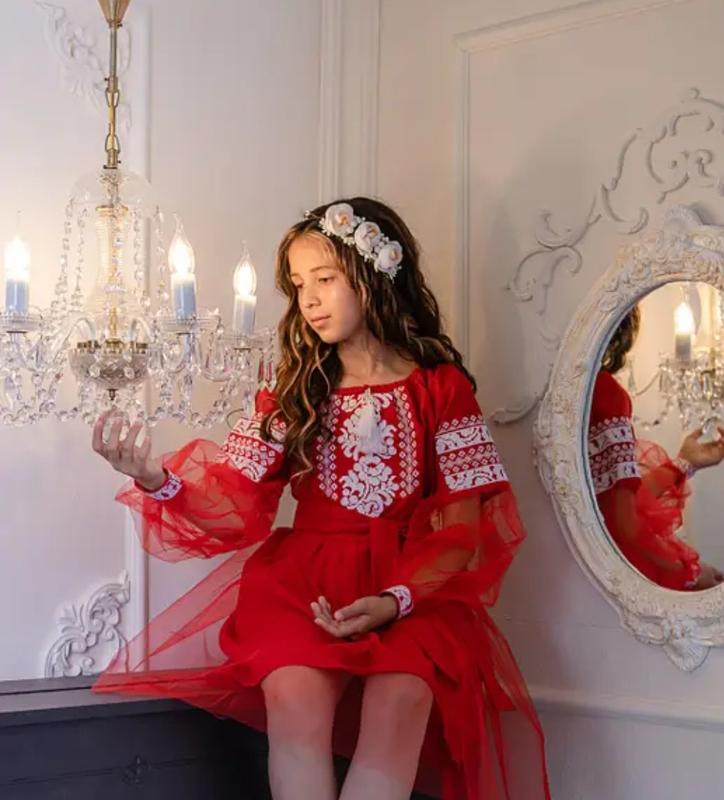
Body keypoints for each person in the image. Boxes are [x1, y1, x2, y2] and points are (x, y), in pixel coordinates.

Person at [91, 198, 550, 799]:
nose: (308, 299)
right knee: (294, 697)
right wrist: (158, 479)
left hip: (411, 589)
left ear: (376, 274)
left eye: (325, 279)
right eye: (299, 284)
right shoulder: (294, 391)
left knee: (401, 699)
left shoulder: (442, 387)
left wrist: (395, 599)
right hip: (304, 586)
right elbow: (234, 502)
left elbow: (463, 531)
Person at [589, 306, 724, 591]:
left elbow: (617, 500)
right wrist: (689, 572)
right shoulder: (605, 394)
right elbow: (624, 524)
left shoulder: (578, 389)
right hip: (612, 575)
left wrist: (685, 462)